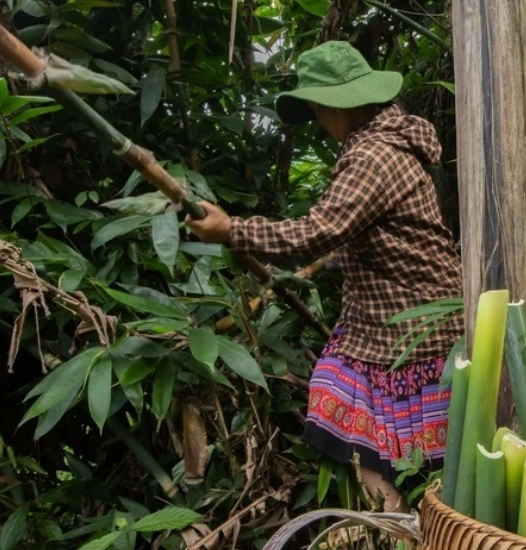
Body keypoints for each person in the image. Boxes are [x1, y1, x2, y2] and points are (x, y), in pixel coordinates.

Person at [185, 41, 463, 513]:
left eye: (317, 109)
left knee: (367, 412)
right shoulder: (386, 142)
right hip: (388, 318)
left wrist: (232, 230)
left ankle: (401, 517)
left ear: (339, 105)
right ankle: (395, 512)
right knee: (340, 388)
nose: (318, 120)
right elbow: (370, 230)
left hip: (415, 324)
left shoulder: (375, 156)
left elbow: (318, 231)